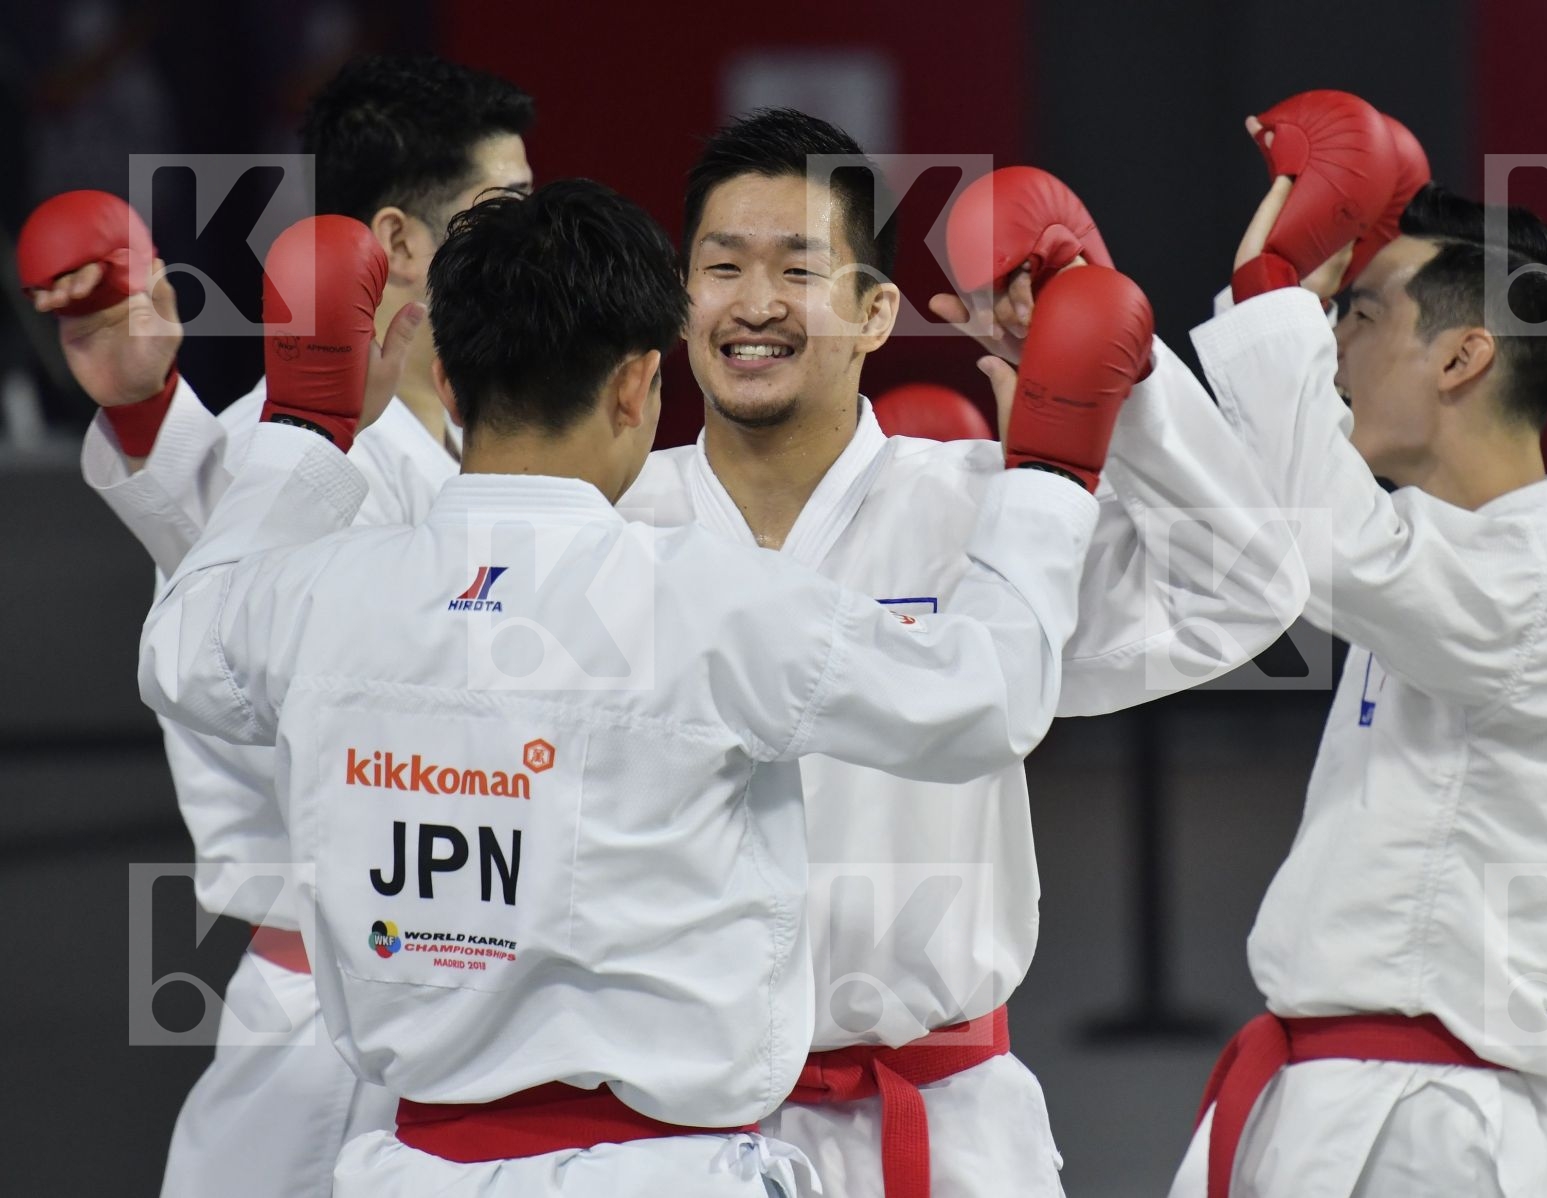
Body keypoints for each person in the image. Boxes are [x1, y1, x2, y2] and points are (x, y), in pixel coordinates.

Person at [138, 179, 1128, 1196]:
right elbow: (986, 698)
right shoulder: (708, 598)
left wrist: (305, 424)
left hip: (414, 1168)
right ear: (635, 387)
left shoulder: (330, 594)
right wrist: (1050, 477)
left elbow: (180, 650)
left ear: (445, 371)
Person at [619, 110, 1308, 1198]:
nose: (754, 304)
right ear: (680, 303)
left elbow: (1249, 586)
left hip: (940, 1130)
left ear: (876, 311)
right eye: (721, 268)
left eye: (798, 268)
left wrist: (1110, 382)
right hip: (666, 1128)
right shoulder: (614, 527)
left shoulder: (986, 509)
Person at [18, 52, 532, 1198]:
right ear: (399, 243)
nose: (536, 248)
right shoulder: (274, 449)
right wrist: (148, 413)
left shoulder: (486, 448)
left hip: (479, 1019)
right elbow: (220, 613)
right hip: (330, 1032)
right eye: (508, 216)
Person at [1163, 156, 1547, 1197]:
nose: (1332, 345)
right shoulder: (1431, 564)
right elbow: (1263, 509)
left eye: (1360, 314)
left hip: (1431, 1132)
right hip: (1343, 1100)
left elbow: (1328, 541)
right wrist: (1098, 359)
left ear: (1464, 356)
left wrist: (1270, 293)